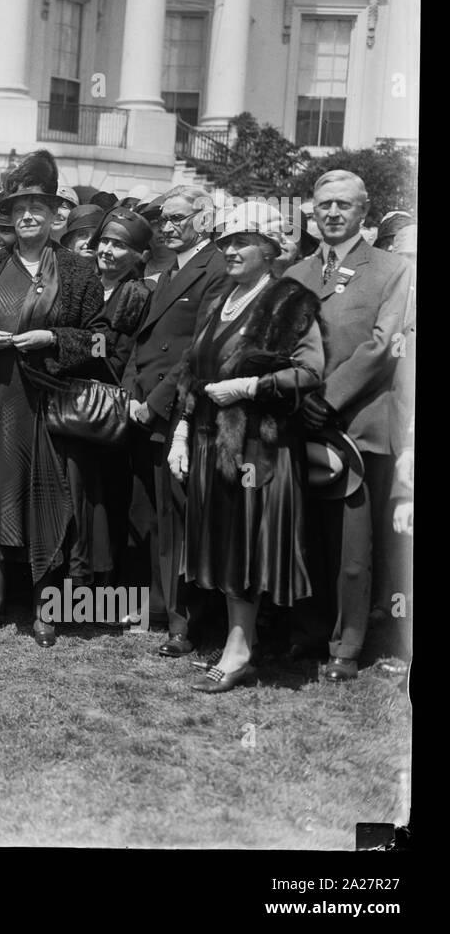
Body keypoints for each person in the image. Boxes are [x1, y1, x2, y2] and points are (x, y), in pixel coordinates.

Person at [0, 150, 103, 645]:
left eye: (39, 207)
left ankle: (46, 608)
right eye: (20, 207)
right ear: (7, 215)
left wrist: (53, 340)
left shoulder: (78, 272)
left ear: (56, 215)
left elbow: (100, 339)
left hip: (46, 407)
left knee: (47, 501)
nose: (28, 215)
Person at [167, 203, 324, 692]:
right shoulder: (222, 297)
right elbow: (195, 370)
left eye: (241, 242)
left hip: (260, 448)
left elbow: (310, 372)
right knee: (225, 541)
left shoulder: (289, 301)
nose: (229, 250)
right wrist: (182, 431)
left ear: (270, 250)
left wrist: (251, 388)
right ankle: (240, 643)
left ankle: (241, 650)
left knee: (247, 543)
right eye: (224, 243)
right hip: (213, 441)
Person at [284, 170, 413, 682]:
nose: (332, 214)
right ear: (311, 212)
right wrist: (301, 400)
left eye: (344, 205)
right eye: (323, 206)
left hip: (360, 422)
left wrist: (329, 399)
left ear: (364, 211)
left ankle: (347, 644)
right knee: (305, 535)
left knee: (352, 546)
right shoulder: (295, 274)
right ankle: (310, 630)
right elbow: (283, 345)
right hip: (302, 422)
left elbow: (383, 344)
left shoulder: (390, 269)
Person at [120, 185, 228, 655]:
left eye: (178, 219)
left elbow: (197, 349)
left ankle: (184, 622)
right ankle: (161, 605)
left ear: (204, 220)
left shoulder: (216, 269)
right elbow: (145, 340)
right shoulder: (170, 268)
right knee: (152, 514)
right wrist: (128, 392)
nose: (167, 227)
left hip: (181, 410)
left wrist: (156, 401)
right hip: (146, 407)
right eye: (163, 219)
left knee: (179, 520)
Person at [60, 208, 155, 591]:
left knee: (101, 494)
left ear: (139, 256)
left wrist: (73, 345)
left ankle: (97, 580)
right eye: (105, 242)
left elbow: (116, 351)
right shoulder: (86, 284)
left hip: (106, 405)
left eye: (120, 245)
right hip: (75, 402)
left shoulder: (137, 294)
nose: (108, 251)